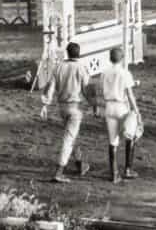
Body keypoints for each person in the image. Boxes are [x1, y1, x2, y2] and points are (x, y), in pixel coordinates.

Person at [40, 42, 93, 182]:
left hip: (62, 108)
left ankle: (80, 164)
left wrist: (45, 105)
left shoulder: (59, 67)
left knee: (72, 136)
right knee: (69, 139)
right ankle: (59, 171)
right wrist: (94, 105)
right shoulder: (81, 68)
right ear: (79, 53)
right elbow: (87, 90)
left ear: (67, 53)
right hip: (75, 108)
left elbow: (50, 88)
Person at [100, 47, 140, 183]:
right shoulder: (125, 73)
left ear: (110, 58)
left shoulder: (104, 72)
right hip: (122, 107)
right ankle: (128, 169)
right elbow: (129, 94)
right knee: (130, 135)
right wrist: (137, 112)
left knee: (112, 141)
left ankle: (114, 173)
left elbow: (103, 90)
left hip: (109, 107)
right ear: (122, 58)